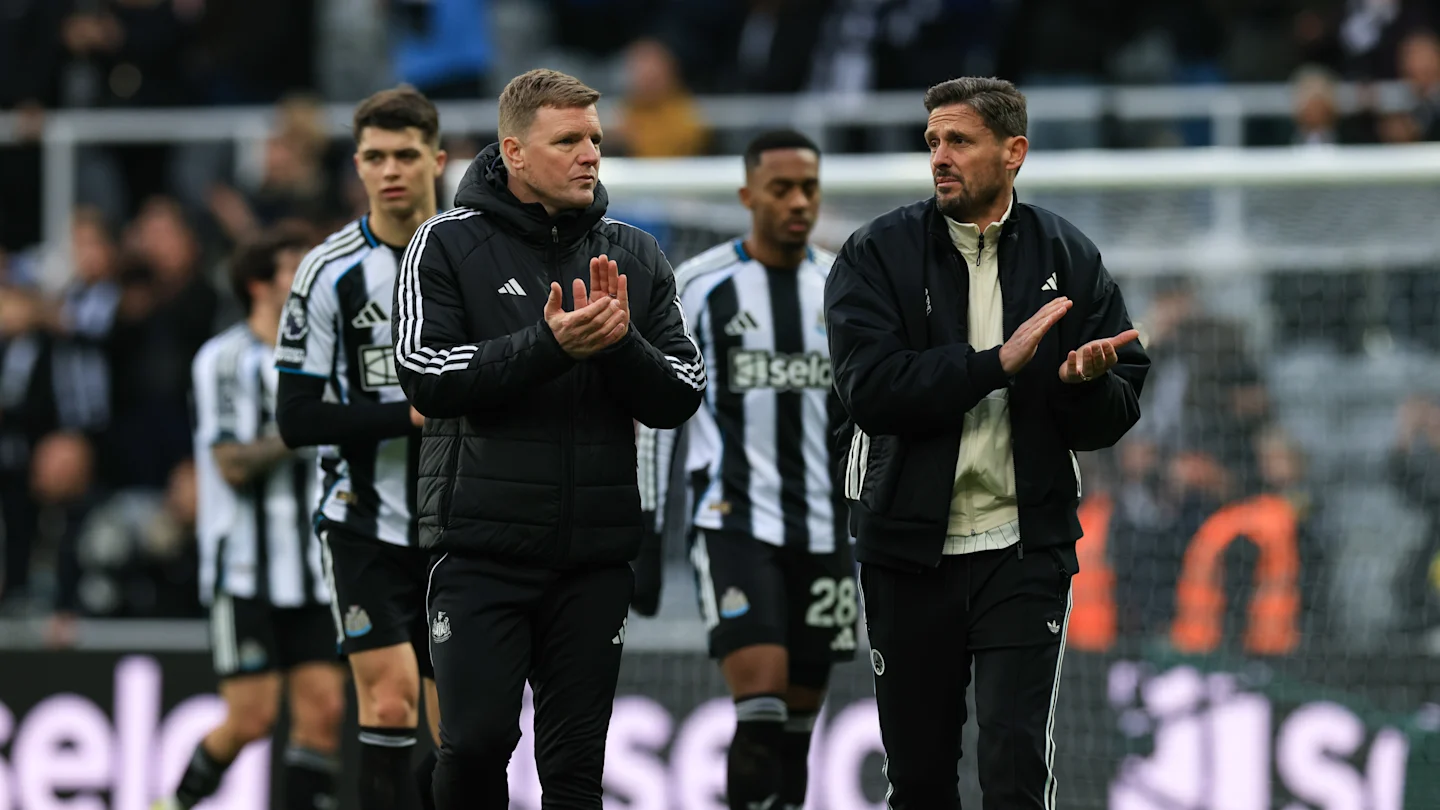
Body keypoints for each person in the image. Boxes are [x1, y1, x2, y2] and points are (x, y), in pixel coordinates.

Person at [822, 76, 1150, 809]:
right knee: (921, 775)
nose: (940, 156)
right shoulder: (875, 253)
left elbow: (1116, 407)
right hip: (907, 552)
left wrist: (1082, 384)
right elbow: (869, 390)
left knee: (1012, 760)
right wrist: (992, 366)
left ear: (1014, 153)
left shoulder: (1069, 253)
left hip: (1022, 549)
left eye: (959, 141)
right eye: (933, 141)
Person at [391, 68, 705, 809]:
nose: (590, 154)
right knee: (471, 746)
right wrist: (550, 346)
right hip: (479, 552)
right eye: (568, 140)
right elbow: (424, 374)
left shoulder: (637, 254)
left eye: (595, 139)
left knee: (573, 773)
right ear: (515, 153)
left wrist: (620, 344)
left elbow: (683, 392)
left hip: (592, 559)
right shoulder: (445, 245)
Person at [634, 129, 855, 810]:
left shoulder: (841, 289)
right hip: (732, 521)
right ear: (746, 195)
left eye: (808, 189)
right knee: (759, 706)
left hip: (825, 530)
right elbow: (653, 409)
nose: (797, 202)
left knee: (795, 728)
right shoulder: (699, 288)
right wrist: (645, 525)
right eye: (781, 188)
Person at [274, 86, 446, 810]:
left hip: (462, 523)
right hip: (363, 523)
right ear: (357, 165)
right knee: (390, 702)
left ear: (438, 159)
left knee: (465, 731)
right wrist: (404, 417)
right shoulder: (327, 272)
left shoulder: (475, 256)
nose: (390, 171)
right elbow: (296, 417)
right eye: (375, 157)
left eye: (406, 155)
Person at [160, 227, 346, 810]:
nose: (311, 281)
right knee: (251, 719)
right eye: (296, 268)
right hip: (245, 568)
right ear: (257, 284)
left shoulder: (331, 356)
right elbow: (231, 464)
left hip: (317, 569)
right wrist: (304, 425)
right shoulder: (224, 360)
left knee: (324, 712)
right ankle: (172, 803)